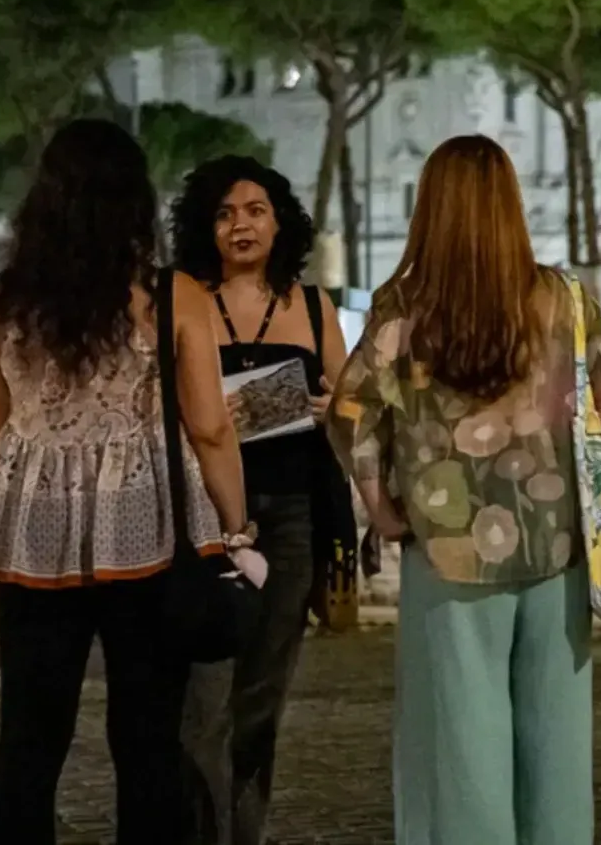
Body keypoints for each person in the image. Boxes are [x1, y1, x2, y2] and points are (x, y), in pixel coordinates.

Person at [327, 134, 601, 845]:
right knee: (556, 747)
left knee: (459, 748)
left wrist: (379, 505)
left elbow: (350, 416)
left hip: (448, 547)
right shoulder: (565, 300)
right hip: (557, 546)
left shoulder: (402, 308)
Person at [0, 120, 258, 845]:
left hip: (32, 535)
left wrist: (25, 500)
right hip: (149, 529)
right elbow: (211, 426)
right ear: (135, 201)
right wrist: (235, 525)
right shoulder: (173, 297)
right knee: (147, 738)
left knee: (30, 737)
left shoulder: (4, 303)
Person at [171, 155, 349, 845]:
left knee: (262, 695)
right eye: (222, 212)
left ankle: (245, 830)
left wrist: (334, 406)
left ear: (281, 223)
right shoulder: (182, 299)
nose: (239, 224)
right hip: (204, 517)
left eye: (254, 210)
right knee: (201, 697)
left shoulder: (311, 305)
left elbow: (353, 403)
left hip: (293, 514)